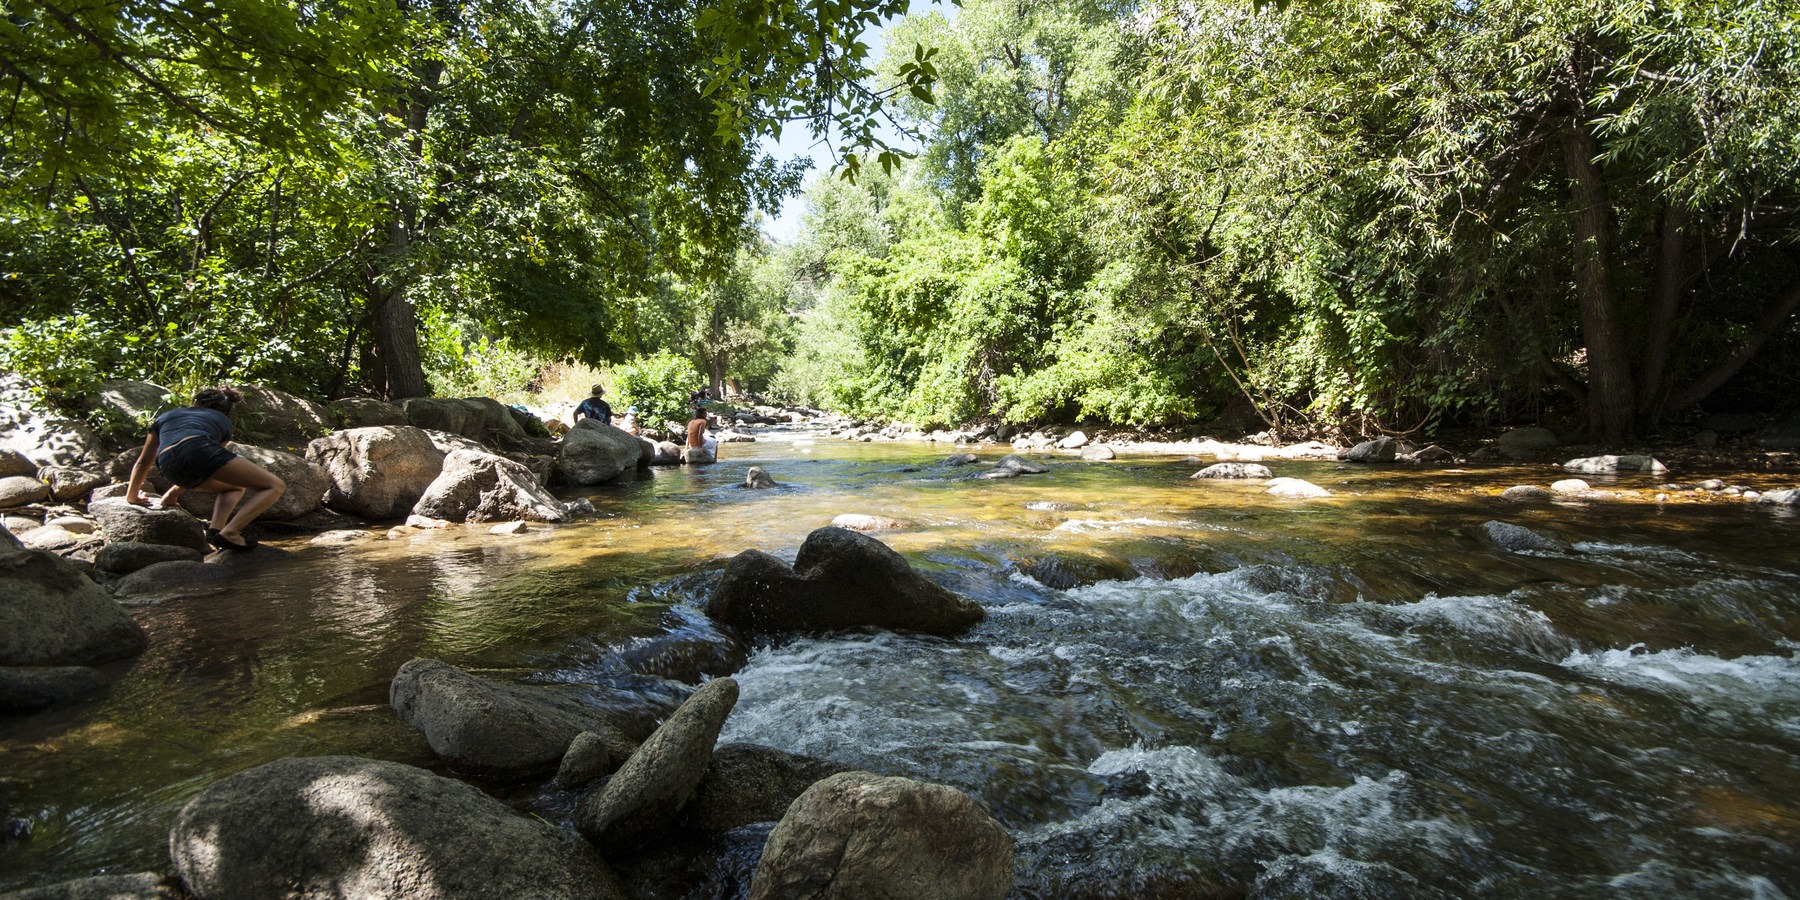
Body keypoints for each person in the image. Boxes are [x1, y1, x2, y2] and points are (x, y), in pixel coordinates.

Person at [126, 386, 286, 552]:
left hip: (167, 464)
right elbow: (205, 460)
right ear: (226, 411)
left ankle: (215, 532)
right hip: (199, 447)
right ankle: (230, 532)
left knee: (235, 487)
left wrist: (133, 496)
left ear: (195, 402)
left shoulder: (166, 416)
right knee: (275, 485)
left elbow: (144, 461)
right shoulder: (223, 421)